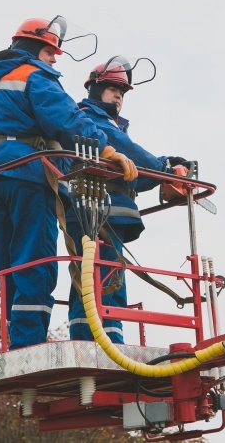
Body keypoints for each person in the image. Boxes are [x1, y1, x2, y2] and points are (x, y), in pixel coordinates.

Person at [0, 19, 138, 350]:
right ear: (31, 49)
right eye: (49, 51)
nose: (54, 60)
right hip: (28, 172)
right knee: (35, 256)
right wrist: (105, 149)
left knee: (5, 262)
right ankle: (28, 343)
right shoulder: (34, 75)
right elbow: (65, 119)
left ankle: (16, 336)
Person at [67, 57, 188, 344]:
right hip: (95, 211)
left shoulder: (112, 127)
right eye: (112, 89)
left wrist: (163, 171)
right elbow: (128, 150)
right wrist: (165, 168)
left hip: (109, 212)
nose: (119, 96)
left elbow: (135, 174)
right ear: (95, 90)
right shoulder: (90, 120)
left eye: (122, 92)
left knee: (97, 278)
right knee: (102, 279)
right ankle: (104, 344)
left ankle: (95, 339)